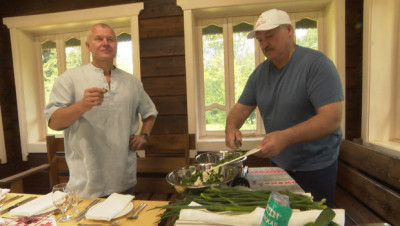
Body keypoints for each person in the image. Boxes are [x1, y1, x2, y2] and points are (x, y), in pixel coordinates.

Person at [225, 9, 343, 207]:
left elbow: (332, 119)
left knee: (313, 220)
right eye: (260, 40)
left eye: (270, 36)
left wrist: (285, 137)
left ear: (289, 30)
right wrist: (231, 128)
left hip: (317, 168)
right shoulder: (259, 75)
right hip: (279, 166)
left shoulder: (317, 64)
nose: (265, 44)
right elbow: (240, 110)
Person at [44, 23, 157, 198]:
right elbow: (54, 122)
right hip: (85, 184)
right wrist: (81, 105)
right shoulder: (69, 79)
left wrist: (144, 136)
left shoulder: (132, 82)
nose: (105, 43)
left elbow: (150, 113)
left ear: (116, 46)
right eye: (99, 39)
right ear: (88, 46)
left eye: (110, 39)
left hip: (123, 180)